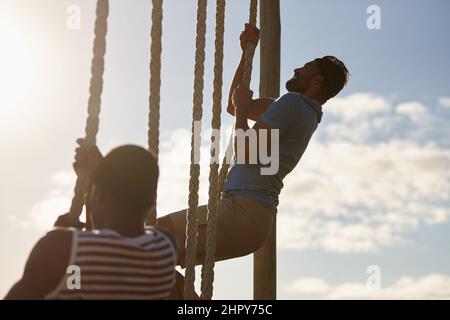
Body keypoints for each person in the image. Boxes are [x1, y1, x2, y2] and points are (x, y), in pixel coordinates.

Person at [157, 23, 350, 267]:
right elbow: (234, 104)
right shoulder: (306, 113)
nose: (297, 69)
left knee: (148, 237)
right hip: (254, 222)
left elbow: (246, 151)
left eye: (305, 68)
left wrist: (240, 114)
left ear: (317, 80)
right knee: (156, 261)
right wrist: (246, 53)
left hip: (241, 211)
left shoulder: (292, 103)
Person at [5, 143, 179, 299]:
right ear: (150, 204)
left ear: (101, 195)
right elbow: (110, 244)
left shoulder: (59, 248)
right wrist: (102, 179)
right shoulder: (166, 248)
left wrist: (63, 234)